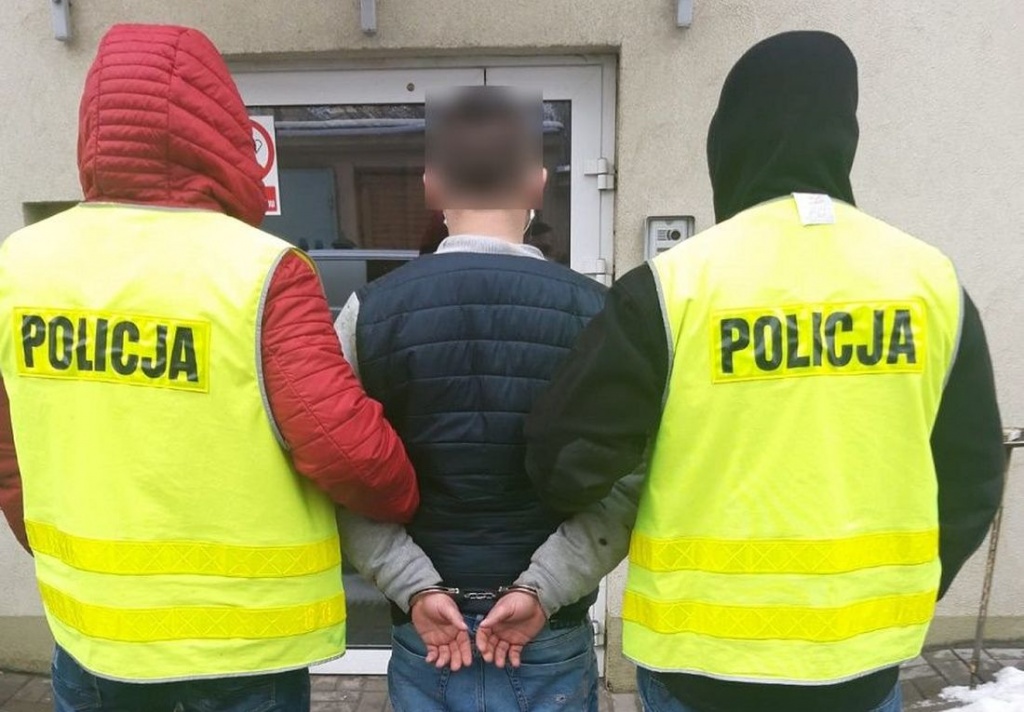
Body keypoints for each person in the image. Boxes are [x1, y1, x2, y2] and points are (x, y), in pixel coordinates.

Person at [524, 31, 1006, 712]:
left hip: (699, 667)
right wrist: (904, 593)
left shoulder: (672, 287)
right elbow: (975, 476)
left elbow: (565, 463)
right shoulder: (932, 285)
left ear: (729, 145)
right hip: (860, 666)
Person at [0, 24, 418, 712]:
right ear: (219, 128)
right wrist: (406, 500)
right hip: (239, 649)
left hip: (91, 633)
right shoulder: (258, 270)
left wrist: (65, 556)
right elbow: (346, 452)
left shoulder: (20, 263)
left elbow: (10, 456)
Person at [333, 86, 638, 712]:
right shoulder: (600, 315)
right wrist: (543, 586)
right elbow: (628, 479)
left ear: (431, 185)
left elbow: (335, 471)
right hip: (546, 631)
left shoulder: (368, 313)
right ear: (537, 184)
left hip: (427, 630)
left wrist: (414, 585)